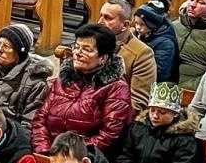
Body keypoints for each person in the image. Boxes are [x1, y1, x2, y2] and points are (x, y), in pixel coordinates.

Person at [31, 23, 133, 154]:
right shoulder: (64, 79)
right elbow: (41, 118)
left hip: (84, 158)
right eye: (76, 47)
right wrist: (43, 150)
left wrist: (69, 155)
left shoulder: (116, 88)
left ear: (103, 58)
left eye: (87, 49)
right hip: (48, 152)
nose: (78, 53)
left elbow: (109, 134)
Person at [112, 82, 200, 163]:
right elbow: (124, 155)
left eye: (162, 112)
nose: (155, 116)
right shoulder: (137, 127)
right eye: (152, 110)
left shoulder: (185, 139)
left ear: (175, 114)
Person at [97, 0, 157, 113]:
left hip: (112, 117)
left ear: (125, 25)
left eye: (107, 18)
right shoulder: (91, 42)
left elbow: (138, 103)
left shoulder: (142, 54)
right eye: (100, 16)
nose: (100, 22)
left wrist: (105, 116)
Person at [134, 1, 179, 85]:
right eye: (136, 23)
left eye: (142, 24)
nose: (138, 27)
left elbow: (161, 71)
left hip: (156, 84)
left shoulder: (166, 43)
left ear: (153, 24)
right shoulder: (141, 35)